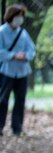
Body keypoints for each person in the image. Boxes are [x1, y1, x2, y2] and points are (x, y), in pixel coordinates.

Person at [0, 3, 35, 137]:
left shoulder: (23, 33)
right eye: (18, 16)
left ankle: (17, 128)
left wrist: (26, 56)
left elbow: (31, 49)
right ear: (11, 16)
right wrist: (13, 55)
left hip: (22, 71)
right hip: (7, 71)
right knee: (3, 100)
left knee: (20, 100)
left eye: (21, 16)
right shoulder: (2, 32)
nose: (20, 19)